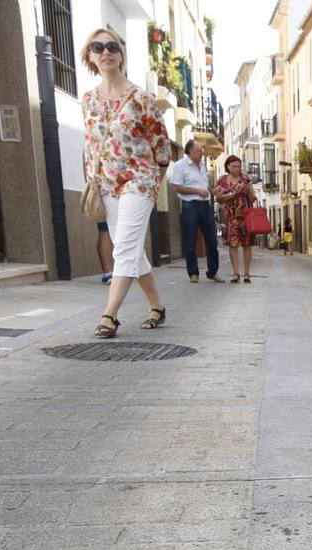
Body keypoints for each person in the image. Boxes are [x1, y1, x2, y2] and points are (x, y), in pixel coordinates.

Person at [80, 27, 170, 338]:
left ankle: (109, 315)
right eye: (98, 47)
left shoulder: (141, 98)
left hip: (139, 182)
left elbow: (161, 145)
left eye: (112, 46)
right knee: (128, 250)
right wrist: (92, 178)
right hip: (105, 185)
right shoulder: (88, 100)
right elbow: (91, 145)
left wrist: (153, 184)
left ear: (121, 53)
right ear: (90, 55)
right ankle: (157, 305)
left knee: (126, 249)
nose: (105, 52)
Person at [171, 139, 222, 283]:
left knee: (212, 240)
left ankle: (213, 271)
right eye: (200, 151)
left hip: (205, 206)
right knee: (190, 241)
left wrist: (213, 191)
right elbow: (177, 187)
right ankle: (193, 273)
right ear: (190, 151)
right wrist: (197, 191)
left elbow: (205, 188)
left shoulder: (202, 166)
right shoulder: (180, 166)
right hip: (189, 205)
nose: (202, 153)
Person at [215, 155, 256, 283]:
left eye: (239, 166)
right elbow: (218, 199)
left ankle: (247, 274)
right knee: (233, 245)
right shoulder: (222, 181)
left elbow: (253, 198)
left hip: (246, 217)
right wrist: (233, 194)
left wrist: (248, 191)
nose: (237, 169)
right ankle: (235, 274)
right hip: (231, 217)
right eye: (234, 166)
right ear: (228, 166)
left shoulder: (246, 179)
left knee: (247, 244)